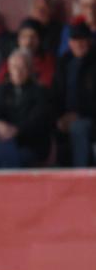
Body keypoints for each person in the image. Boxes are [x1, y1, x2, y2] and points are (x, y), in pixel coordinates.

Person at [0, 50, 53, 168]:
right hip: (6, 141)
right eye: (14, 67)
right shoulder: (2, 90)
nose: (18, 72)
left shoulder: (40, 92)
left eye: (22, 68)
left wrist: (16, 130)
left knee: (7, 153)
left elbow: (38, 120)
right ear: (9, 69)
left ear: (30, 69)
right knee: (1, 148)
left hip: (32, 143)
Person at [52, 22, 96, 167]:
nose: (78, 44)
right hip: (66, 116)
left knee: (79, 127)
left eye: (82, 39)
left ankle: (80, 174)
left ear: (89, 40)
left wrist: (79, 115)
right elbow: (56, 94)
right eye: (75, 40)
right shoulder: (64, 62)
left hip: (89, 117)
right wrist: (59, 117)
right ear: (69, 42)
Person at [0, 19, 56, 88]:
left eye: (33, 37)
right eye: (24, 36)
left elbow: (45, 85)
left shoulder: (47, 59)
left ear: (40, 39)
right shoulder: (13, 58)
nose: (28, 41)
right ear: (18, 40)